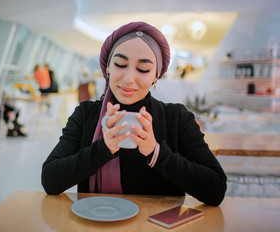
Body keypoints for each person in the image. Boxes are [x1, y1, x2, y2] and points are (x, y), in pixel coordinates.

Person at [41, 22, 227, 206]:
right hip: (95, 224)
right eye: (120, 64)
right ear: (107, 68)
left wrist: (156, 153)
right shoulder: (86, 114)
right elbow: (50, 180)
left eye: (143, 69)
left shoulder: (177, 118)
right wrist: (103, 149)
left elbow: (216, 189)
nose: (129, 79)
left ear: (156, 76)